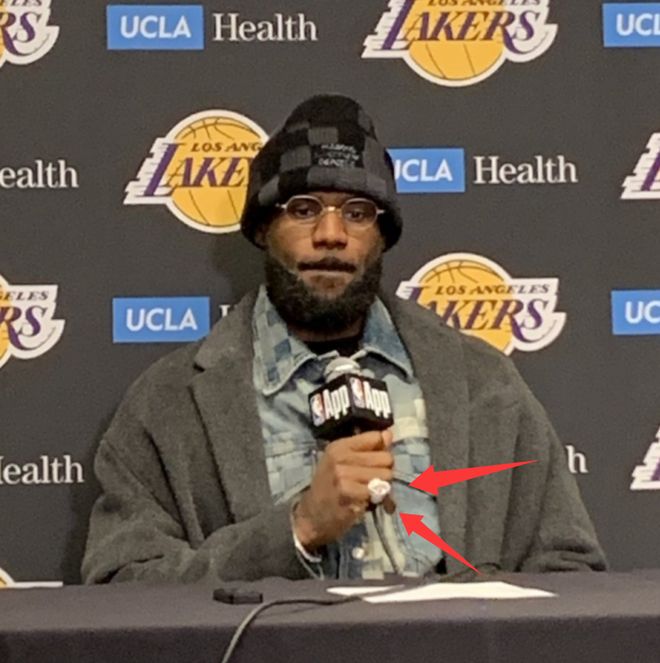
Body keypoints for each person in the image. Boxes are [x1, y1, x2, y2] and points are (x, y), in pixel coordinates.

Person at [82, 95, 606, 584]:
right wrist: (298, 529)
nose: (331, 234)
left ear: (382, 235)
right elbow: (121, 584)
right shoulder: (169, 404)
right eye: (303, 209)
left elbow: (569, 571)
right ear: (263, 228)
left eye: (357, 212)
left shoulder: (483, 385)